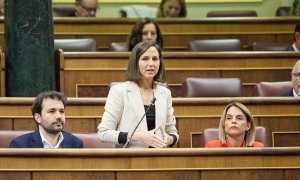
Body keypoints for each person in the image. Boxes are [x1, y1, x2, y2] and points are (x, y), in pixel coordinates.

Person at [98, 40, 179, 148]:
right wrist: (138, 136)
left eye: (155, 59)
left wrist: (169, 139)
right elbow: (103, 133)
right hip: (130, 160)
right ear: (135, 63)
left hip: (159, 159)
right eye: (145, 59)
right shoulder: (119, 92)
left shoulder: (165, 93)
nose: (151, 64)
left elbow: (173, 132)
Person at [10, 91, 83, 148]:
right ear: (38, 118)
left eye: (61, 111)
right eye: (52, 111)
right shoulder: (21, 145)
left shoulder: (75, 143)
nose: (59, 116)